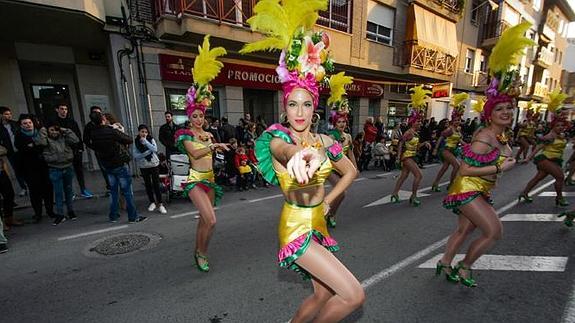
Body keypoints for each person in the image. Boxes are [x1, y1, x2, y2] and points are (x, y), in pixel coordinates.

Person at [242, 4, 365, 321]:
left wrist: (329, 202)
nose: (299, 111)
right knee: (353, 295)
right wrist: (299, 156)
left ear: (315, 107)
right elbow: (285, 152)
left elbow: (351, 171)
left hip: (318, 223)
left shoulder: (326, 141)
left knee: (323, 294)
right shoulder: (276, 138)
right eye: (293, 104)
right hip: (296, 227)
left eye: (306, 104)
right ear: (285, 106)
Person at [439, 22, 530, 287]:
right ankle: (465, 267)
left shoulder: (502, 136)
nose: (506, 113)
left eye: (509, 109)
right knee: (494, 231)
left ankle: (444, 262)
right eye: (500, 109)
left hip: (480, 189)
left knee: (465, 229)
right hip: (468, 187)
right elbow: (465, 170)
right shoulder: (484, 136)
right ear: (489, 113)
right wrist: (501, 168)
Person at [174, 35, 229, 272]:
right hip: (195, 181)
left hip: (210, 181)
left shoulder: (209, 133)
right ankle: (201, 252)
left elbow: (211, 155)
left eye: (201, 115)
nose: (199, 119)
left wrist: (222, 148)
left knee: (207, 222)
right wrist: (213, 146)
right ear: (189, 116)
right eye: (195, 115)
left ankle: (199, 250)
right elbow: (195, 155)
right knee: (212, 219)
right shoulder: (184, 134)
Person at [89, 111, 146, 224]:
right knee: (127, 191)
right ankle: (133, 217)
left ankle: (113, 215)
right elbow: (128, 139)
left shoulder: (93, 133)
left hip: (106, 165)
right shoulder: (110, 131)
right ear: (102, 120)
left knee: (113, 191)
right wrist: (116, 129)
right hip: (119, 164)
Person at [519, 89, 569, 207]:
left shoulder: (561, 135)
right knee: (560, 177)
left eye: (562, 125)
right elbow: (539, 147)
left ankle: (524, 193)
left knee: (538, 178)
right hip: (545, 159)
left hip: (554, 160)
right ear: (553, 126)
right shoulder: (550, 136)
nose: (560, 127)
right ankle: (559, 198)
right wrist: (528, 158)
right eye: (558, 125)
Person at [391, 86, 431, 206]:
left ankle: (394, 194)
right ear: (412, 122)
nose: (420, 123)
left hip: (412, 155)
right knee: (419, 175)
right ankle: (413, 196)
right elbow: (401, 142)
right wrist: (398, 157)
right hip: (407, 157)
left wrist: (424, 143)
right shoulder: (408, 132)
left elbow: (416, 146)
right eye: (418, 121)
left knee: (403, 176)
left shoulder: (415, 133)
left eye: (421, 121)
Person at [326, 72, 356, 227]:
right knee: (342, 193)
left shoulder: (348, 136)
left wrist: (355, 168)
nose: (342, 124)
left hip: (342, 169)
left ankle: (330, 214)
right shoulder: (331, 136)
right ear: (334, 123)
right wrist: (336, 140)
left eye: (344, 121)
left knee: (340, 194)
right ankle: (327, 213)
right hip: (330, 168)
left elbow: (350, 152)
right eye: (339, 122)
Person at [14, 114, 55, 223]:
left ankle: (50, 211)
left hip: (44, 166)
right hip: (29, 168)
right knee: (35, 192)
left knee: (48, 190)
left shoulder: (40, 133)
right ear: (21, 125)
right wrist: (34, 146)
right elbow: (24, 149)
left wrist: (33, 146)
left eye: (29, 123)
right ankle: (38, 213)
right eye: (25, 123)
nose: (28, 125)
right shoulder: (19, 136)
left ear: (33, 123)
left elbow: (44, 146)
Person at [36, 123, 79, 225]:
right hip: (54, 169)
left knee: (69, 191)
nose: (54, 132)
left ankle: (70, 211)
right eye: (51, 130)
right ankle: (60, 214)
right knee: (58, 193)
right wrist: (43, 130)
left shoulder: (64, 138)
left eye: (56, 130)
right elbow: (40, 142)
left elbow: (75, 139)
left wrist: (65, 129)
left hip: (67, 166)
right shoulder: (46, 140)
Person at [52, 104, 93, 198]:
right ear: (57, 109)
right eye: (62, 109)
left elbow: (78, 135)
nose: (64, 111)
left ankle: (83, 189)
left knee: (79, 170)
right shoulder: (53, 122)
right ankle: (70, 192)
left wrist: (80, 148)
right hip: (62, 150)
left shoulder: (72, 121)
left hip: (75, 149)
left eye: (66, 109)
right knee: (67, 172)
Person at [431, 93, 467, 192]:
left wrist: (468, 145)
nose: (457, 121)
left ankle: (435, 183)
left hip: (453, 151)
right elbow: (441, 137)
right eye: (455, 120)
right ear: (452, 120)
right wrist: (435, 149)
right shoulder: (449, 129)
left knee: (445, 168)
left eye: (459, 120)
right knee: (457, 165)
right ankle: (451, 184)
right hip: (446, 150)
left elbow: (459, 140)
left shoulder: (458, 129)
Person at [133, 124, 167, 215]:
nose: (144, 134)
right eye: (142, 132)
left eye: (146, 132)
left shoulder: (150, 139)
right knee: (148, 184)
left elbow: (155, 149)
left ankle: (160, 204)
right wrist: (147, 152)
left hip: (153, 164)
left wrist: (146, 143)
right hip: (143, 166)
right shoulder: (136, 142)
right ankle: (152, 202)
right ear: (139, 132)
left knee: (156, 184)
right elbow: (136, 156)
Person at [83, 105, 111, 194]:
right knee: (104, 169)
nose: (97, 114)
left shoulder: (105, 123)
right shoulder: (89, 126)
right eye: (95, 113)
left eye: (99, 113)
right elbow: (86, 140)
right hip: (99, 152)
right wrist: (94, 147)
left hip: (111, 150)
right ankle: (109, 187)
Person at [0, 106, 27, 196]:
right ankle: (23, 188)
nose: (9, 116)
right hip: (10, 152)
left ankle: (30, 186)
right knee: (17, 170)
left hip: (21, 150)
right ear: (1, 115)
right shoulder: (0, 128)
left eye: (10, 114)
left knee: (26, 168)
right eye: (6, 114)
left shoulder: (15, 124)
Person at [0, 144, 17, 230]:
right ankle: (1, 224)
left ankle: (9, 218)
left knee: (9, 195)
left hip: (2, 172)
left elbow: (4, 150)